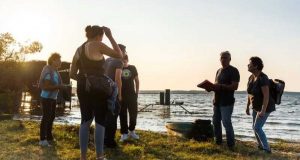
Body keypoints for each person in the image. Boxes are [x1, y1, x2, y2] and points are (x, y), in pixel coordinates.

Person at [69, 25, 122, 160]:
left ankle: (83, 157)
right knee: (100, 120)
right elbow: (119, 55)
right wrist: (110, 36)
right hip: (98, 86)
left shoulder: (79, 49)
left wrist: (85, 78)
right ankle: (99, 156)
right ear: (99, 35)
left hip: (82, 86)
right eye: (103, 36)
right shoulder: (98, 44)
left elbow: (72, 74)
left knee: (85, 120)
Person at [208, 51, 240, 149]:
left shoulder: (234, 70)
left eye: (225, 57)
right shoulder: (218, 71)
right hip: (216, 101)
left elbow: (235, 86)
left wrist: (221, 86)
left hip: (227, 102)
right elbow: (215, 85)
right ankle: (218, 142)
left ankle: (231, 145)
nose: (223, 59)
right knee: (216, 122)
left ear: (230, 59)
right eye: (222, 58)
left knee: (226, 122)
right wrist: (210, 87)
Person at [246, 56, 275, 153]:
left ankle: (267, 149)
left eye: (249, 64)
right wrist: (247, 106)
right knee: (254, 127)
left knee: (257, 127)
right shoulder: (251, 77)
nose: (248, 65)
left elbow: (266, 96)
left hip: (265, 107)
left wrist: (262, 110)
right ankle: (261, 146)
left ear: (256, 66)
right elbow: (250, 93)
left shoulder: (263, 78)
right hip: (255, 107)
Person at [103, 44, 125, 148]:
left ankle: (103, 139)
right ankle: (110, 141)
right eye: (124, 51)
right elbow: (118, 79)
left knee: (105, 116)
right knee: (113, 115)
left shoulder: (107, 60)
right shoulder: (119, 61)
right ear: (120, 51)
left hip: (103, 91)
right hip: (113, 92)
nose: (124, 54)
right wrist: (120, 95)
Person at [38, 53, 63, 147]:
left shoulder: (56, 71)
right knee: (46, 118)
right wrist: (59, 86)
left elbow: (56, 85)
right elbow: (46, 87)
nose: (60, 62)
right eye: (59, 60)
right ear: (53, 60)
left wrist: (60, 86)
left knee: (51, 117)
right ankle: (42, 139)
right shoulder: (49, 71)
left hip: (53, 98)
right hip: (46, 97)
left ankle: (49, 137)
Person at [119, 53, 140, 142]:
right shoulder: (118, 68)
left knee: (133, 114)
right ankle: (124, 133)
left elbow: (137, 80)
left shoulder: (132, 68)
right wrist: (119, 95)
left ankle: (132, 131)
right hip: (122, 95)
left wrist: (137, 92)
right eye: (121, 61)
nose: (123, 62)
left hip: (132, 95)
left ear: (127, 60)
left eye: (124, 60)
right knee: (122, 114)